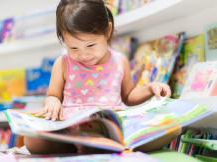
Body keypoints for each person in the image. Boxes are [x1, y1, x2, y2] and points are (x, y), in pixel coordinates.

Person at [24, 0, 180, 154]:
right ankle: (85, 146)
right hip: (72, 129)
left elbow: (129, 96)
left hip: (109, 129)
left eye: (90, 45)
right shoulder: (63, 64)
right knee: (32, 141)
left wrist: (150, 89)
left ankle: (99, 145)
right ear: (63, 41)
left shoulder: (120, 62)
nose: (83, 54)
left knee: (172, 128)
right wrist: (52, 103)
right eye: (73, 47)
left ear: (107, 31)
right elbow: (53, 96)